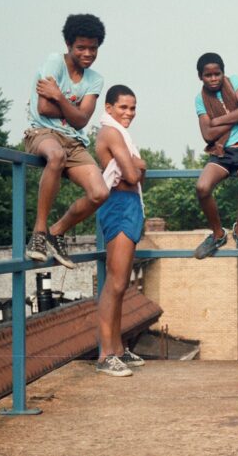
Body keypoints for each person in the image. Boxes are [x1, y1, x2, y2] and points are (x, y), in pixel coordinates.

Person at [24, 14, 109, 268]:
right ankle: (38, 234)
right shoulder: (54, 62)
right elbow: (43, 108)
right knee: (56, 156)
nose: (87, 53)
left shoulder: (95, 79)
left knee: (100, 192)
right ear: (68, 45)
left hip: (74, 140)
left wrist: (59, 97)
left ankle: (56, 231)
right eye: (81, 47)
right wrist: (74, 111)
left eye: (93, 48)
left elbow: (82, 121)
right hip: (43, 133)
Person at [94, 85, 146, 377]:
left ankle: (117, 348)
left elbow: (138, 175)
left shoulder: (121, 135)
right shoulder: (110, 133)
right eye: (123, 107)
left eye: (133, 108)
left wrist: (136, 165)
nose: (129, 113)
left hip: (129, 203)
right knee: (114, 282)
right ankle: (105, 355)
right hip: (118, 204)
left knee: (121, 282)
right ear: (109, 107)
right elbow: (131, 174)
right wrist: (140, 163)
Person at [193, 52, 238, 260]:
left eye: (217, 74)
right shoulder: (200, 99)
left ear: (223, 73)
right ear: (201, 77)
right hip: (221, 152)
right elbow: (207, 135)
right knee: (202, 187)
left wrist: (218, 121)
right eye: (208, 75)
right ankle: (218, 234)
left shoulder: (235, 83)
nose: (213, 79)